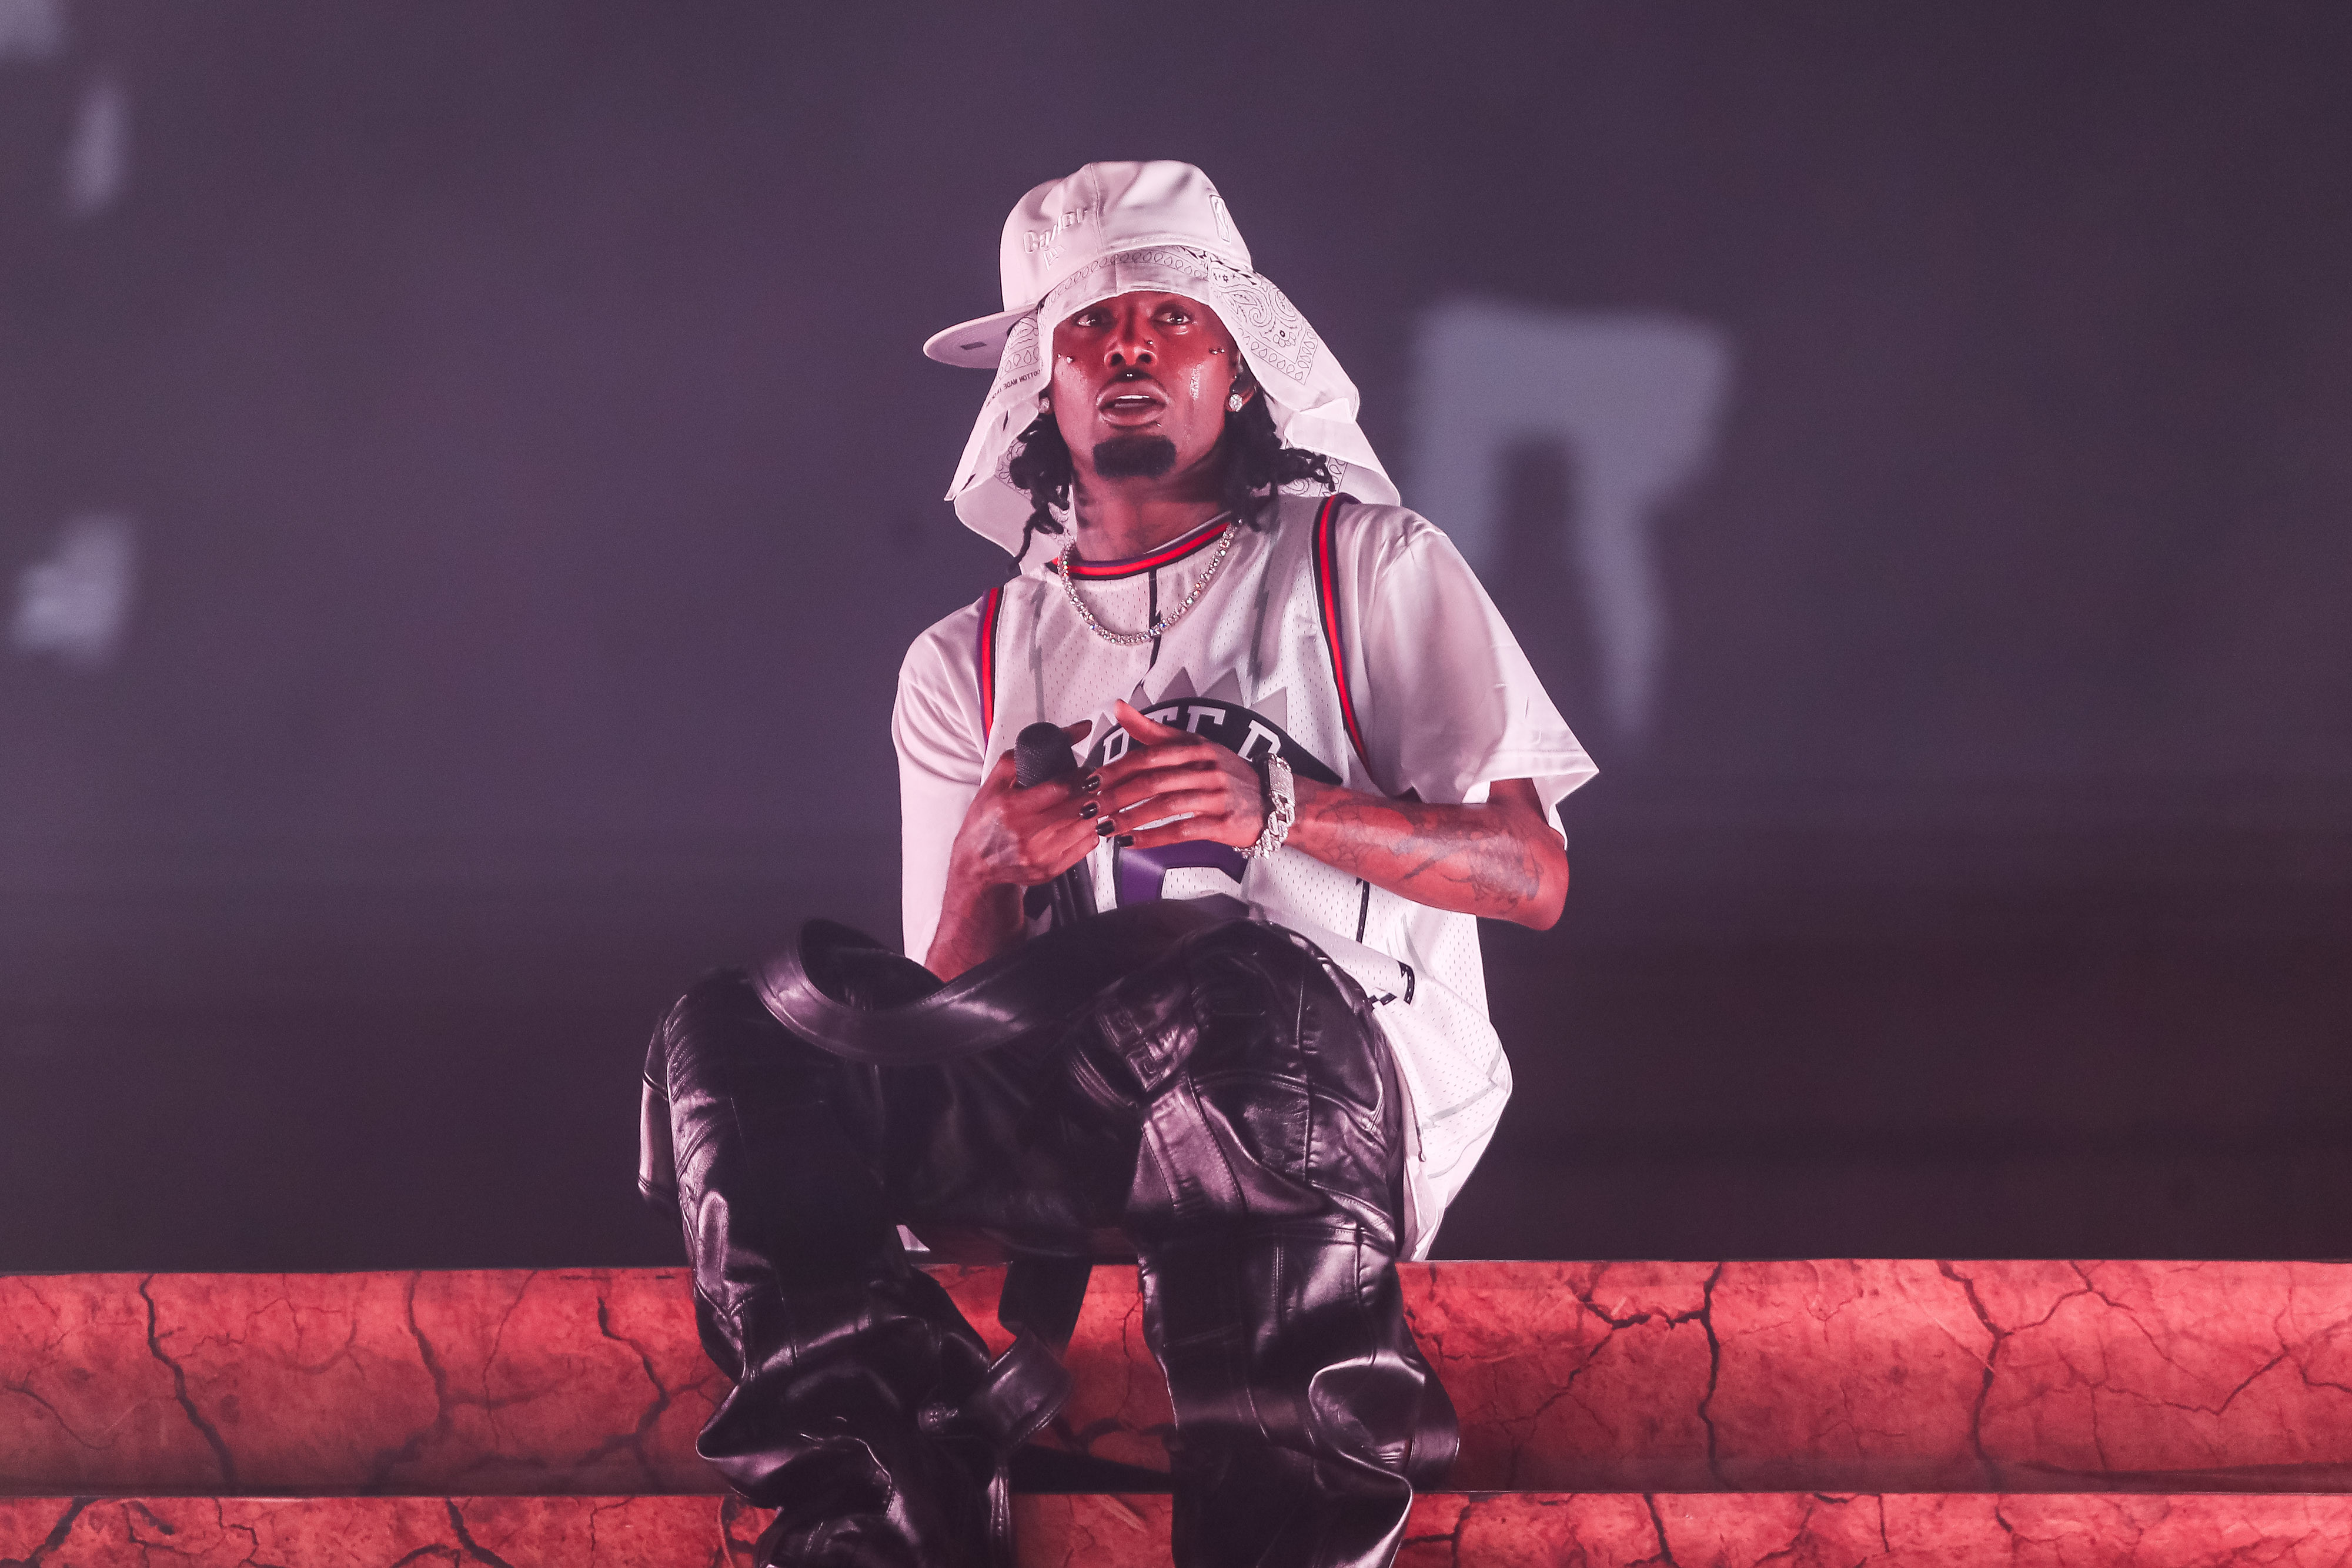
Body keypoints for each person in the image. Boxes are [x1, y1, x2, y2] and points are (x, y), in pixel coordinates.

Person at [642, 161, 1595, 1568]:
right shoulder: (960, 660)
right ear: (1040, 381)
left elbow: (1530, 872)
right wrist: (984, 871)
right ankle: (887, 1504)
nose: (1130, 345)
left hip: (1320, 1102)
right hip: (1072, 1110)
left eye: (1172, 316)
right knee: (734, 1031)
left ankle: (1287, 1525)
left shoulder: (1365, 566)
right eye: (1091, 324)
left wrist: (1281, 803)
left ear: (1245, 366)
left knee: (1234, 983)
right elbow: (939, 1016)